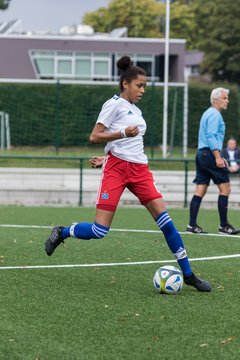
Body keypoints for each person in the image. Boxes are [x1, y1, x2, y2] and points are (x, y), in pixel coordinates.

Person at [45, 55, 211, 292]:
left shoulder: (135, 110)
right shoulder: (113, 104)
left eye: (145, 86)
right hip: (116, 170)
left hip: (139, 170)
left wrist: (108, 153)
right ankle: (62, 232)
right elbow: (95, 136)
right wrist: (121, 136)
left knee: (167, 223)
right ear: (126, 84)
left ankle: (188, 274)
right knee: (99, 230)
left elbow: (130, 145)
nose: (143, 90)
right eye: (139, 85)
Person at [186, 87, 240, 235]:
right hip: (210, 154)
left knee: (200, 190)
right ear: (216, 100)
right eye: (225, 98)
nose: (227, 100)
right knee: (225, 189)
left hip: (201, 154)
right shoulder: (215, 114)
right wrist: (218, 156)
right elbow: (210, 136)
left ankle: (191, 225)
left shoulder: (207, 113)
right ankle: (224, 226)